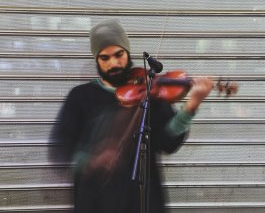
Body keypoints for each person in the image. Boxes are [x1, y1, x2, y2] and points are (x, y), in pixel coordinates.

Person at [50, 19, 213, 213]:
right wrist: (92, 160)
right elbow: (61, 149)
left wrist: (191, 107)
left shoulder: (149, 89)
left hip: (143, 202)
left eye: (119, 54)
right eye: (105, 58)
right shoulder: (80, 96)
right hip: (95, 202)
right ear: (97, 59)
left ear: (127, 52)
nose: (114, 63)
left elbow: (167, 142)